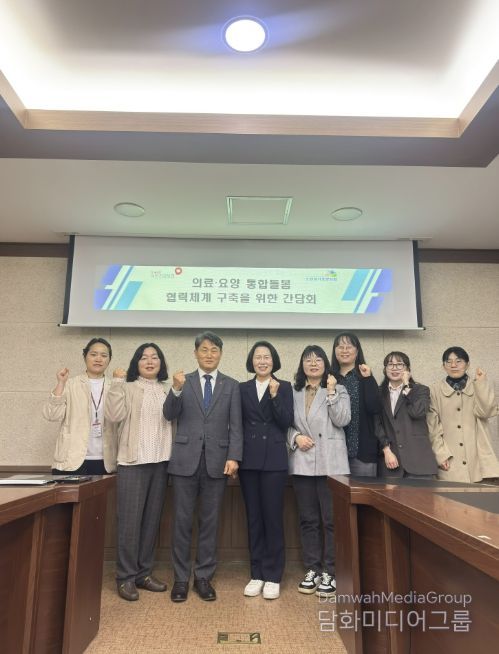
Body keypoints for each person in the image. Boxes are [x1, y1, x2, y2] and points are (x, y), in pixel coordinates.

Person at [163, 331, 243, 602]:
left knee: (210, 522)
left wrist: (234, 456)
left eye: (214, 350)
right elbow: (169, 414)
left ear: (221, 354)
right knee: (182, 522)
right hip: (184, 460)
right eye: (204, 350)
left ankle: (203, 577)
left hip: (218, 463)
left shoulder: (231, 385)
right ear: (195, 353)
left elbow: (236, 425)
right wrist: (175, 389)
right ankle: (180, 579)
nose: (209, 354)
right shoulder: (182, 381)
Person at [105, 343, 172, 601]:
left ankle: (144, 573)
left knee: (151, 521)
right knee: (129, 523)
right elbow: (113, 415)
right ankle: (125, 577)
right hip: (133, 463)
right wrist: (117, 383)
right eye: (144, 357)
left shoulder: (167, 390)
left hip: (160, 462)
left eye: (155, 357)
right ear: (136, 363)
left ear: (161, 363)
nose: (150, 361)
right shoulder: (127, 387)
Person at [288, 345, 350, 598]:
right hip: (302, 461)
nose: (313, 364)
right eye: (308, 360)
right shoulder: (293, 392)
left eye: (318, 359)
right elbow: (283, 422)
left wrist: (332, 392)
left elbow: (343, 419)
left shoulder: (339, 389)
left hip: (330, 462)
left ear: (326, 364)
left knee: (330, 519)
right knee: (308, 519)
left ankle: (331, 571)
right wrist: (295, 437)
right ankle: (312, 568)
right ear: (302, 365)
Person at [239, 340, 294, 600]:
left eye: (267, 357)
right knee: (254, 518)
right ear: (252, 361)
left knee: (272, 518)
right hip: (249, 460)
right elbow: (237, 423)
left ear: (274, 361)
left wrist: (274, 397)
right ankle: (257, 572)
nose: (262, 361)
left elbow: (286, 421)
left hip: (274, 460)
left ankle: (273, 575)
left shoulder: (284, 387)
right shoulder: (242, 388)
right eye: (258, 357)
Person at [42, 337, 118, 475]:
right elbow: (52, 415)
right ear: (85, 357)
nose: (98, 359)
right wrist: (60, 383)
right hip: (70, 460)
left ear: (109, 360)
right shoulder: (70, 384)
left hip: (106, 461)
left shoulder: (114, 387)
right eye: (93, 354)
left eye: (103, 355)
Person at [427, 346, 499, 482]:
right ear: (443, 366)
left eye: (458, 361)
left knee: (480, 495)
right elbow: (432, 427)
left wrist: (481, 384)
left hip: (477, 459)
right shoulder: (434, 390)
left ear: (467, 364)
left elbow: (486, 412)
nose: (453, 365)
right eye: (449, 362)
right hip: (450, 459)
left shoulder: (477, 386)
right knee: (451, 495)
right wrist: (440, 455)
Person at [375, 351, 437, 478]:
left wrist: (407, 387)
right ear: (385, 369)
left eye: (399, 364)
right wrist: (386, 450)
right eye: (390, 364)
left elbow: (417, 412)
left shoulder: (420, 390)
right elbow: (377, 424)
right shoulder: (378, 393)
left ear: (407, 369)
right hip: (391, 462)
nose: (395, 368)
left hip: (418, 461)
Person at [331, 332, 381, 477]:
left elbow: (375, 407)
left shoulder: (365, 376)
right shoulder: (329, 378)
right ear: (334, 351)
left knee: (363, 491)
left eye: (349, 347)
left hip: (362, 452)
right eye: (340, 347)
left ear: (357, 351)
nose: (344, 350)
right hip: (333, 453)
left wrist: (368, 379)